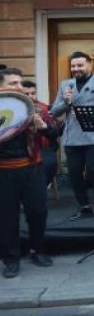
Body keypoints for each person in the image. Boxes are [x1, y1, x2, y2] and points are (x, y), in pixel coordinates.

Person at [51, 51, 94, 221]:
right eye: (73, 66)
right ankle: (84, 206)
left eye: (80, 65)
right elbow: (54, 111)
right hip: (72, 136)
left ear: (90, 65)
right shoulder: (65, 85)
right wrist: (66, 102)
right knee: (74, 173)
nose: (76, 69)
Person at [1, 68, 56, 279]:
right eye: (13, 83)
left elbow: (53, 135)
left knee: (38, 212)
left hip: (32, 167)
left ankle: (37, 250)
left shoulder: (33, 108)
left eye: (20, 82)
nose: (19, 87)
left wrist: (43, 126)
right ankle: (11, 259)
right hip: (4, 171)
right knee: (7, 218)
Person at [21, 80, 59, 189]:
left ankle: (39, 190)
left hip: (43, 147)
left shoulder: (45, 108)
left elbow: (55, 133)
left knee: (48, 163)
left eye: (33, 93)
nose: (30, 96)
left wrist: (44, 127)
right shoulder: (15, 109)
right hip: (20, 147)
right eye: (26, 94)